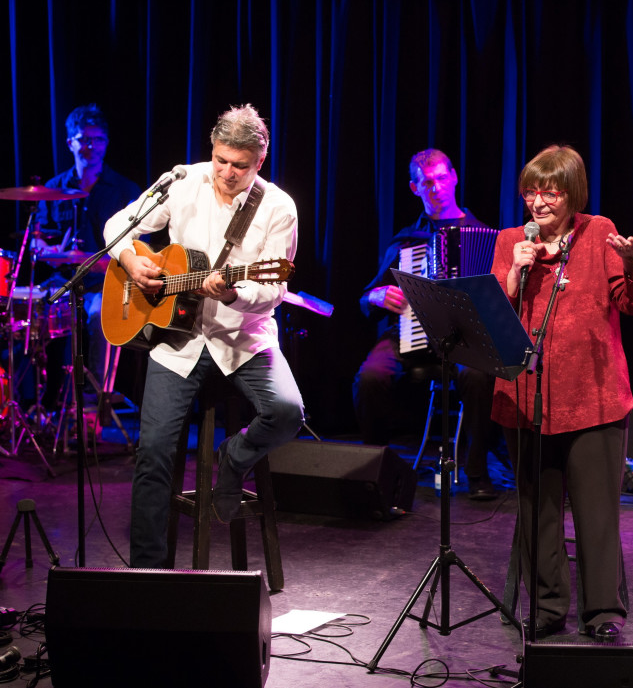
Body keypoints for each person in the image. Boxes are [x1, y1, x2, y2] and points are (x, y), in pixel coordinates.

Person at [103, 104, 304, 568]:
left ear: (261, 160)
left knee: (287, 411)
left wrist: (233, 294)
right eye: (220, 160)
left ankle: (231, 459)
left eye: (240, 165)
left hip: (244, 338)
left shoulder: (278, 206)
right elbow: (118, 226)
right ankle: (148, 573)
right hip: (179, 342)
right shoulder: (182, 181)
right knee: (152, 450)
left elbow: (272, 289)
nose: (227, 173)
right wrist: (132, 260)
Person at [490, 144, 633, 642]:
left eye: (550, 194)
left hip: (594, 397)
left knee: (595, 512)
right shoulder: (510, 241)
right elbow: (494, 319)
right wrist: (515, 271)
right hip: (525, 397)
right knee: (538, 508)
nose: (538, 203)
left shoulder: (599, 232)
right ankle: (547, 606)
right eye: (531, 193)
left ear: (572, 194)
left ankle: (603, 612)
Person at [353, 148, 499, 500]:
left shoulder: (483, 235)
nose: (435, 187)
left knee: (480, 376)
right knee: (370, 376)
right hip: (409, 333)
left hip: (463, 339)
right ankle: (376, 469)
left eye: (440, 178)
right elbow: (368, 296)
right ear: (414, 188)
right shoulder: (407, 241)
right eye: (426, 182)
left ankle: (476, 473)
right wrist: (376, 297)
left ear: (454, 178)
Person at [33, 103, 141, 395]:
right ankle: (47, 400)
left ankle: (96, 401)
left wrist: (107, 263)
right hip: (64, 281)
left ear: (106, 144)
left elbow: (140, 244)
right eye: (84, 139)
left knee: (96, 316)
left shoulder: (124, 190)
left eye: (98, 139)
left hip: (107, 282)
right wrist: (45, 249)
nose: (91, 146)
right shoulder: (54, 188)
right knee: (32, 312)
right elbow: (38, 238)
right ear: (70, 142)